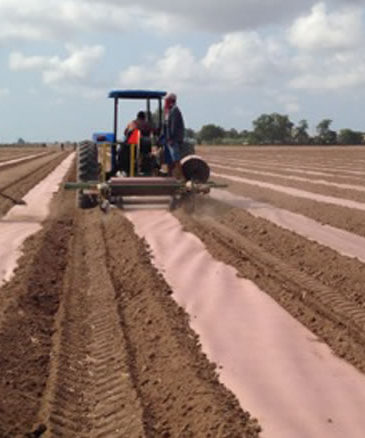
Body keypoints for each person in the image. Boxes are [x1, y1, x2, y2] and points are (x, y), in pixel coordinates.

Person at [164, 93, 185, 179]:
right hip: (169, 139)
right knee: (170, 160)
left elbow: (173, 126)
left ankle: (181, 177)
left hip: (173, 140)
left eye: (166, 100)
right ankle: (170, 176)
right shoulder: (170, 110)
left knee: (176, 159)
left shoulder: (174, 110)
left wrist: (171, 138)